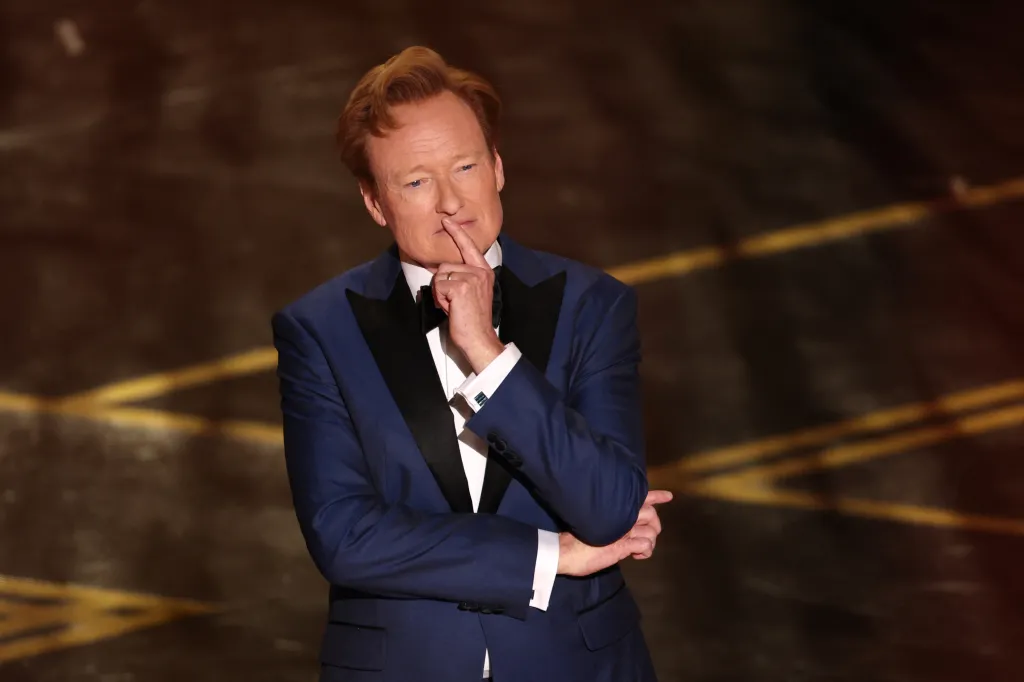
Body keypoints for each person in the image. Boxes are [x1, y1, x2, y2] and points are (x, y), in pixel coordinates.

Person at [272, 45, 672, 682]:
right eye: (416, 182)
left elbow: (610, 508)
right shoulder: (319, 330)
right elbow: (344, 536)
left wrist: (487, 353)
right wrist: (549, 557)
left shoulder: (594, 304)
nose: (451, 201)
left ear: (499, 168)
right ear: (376, 203)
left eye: (465, 166)